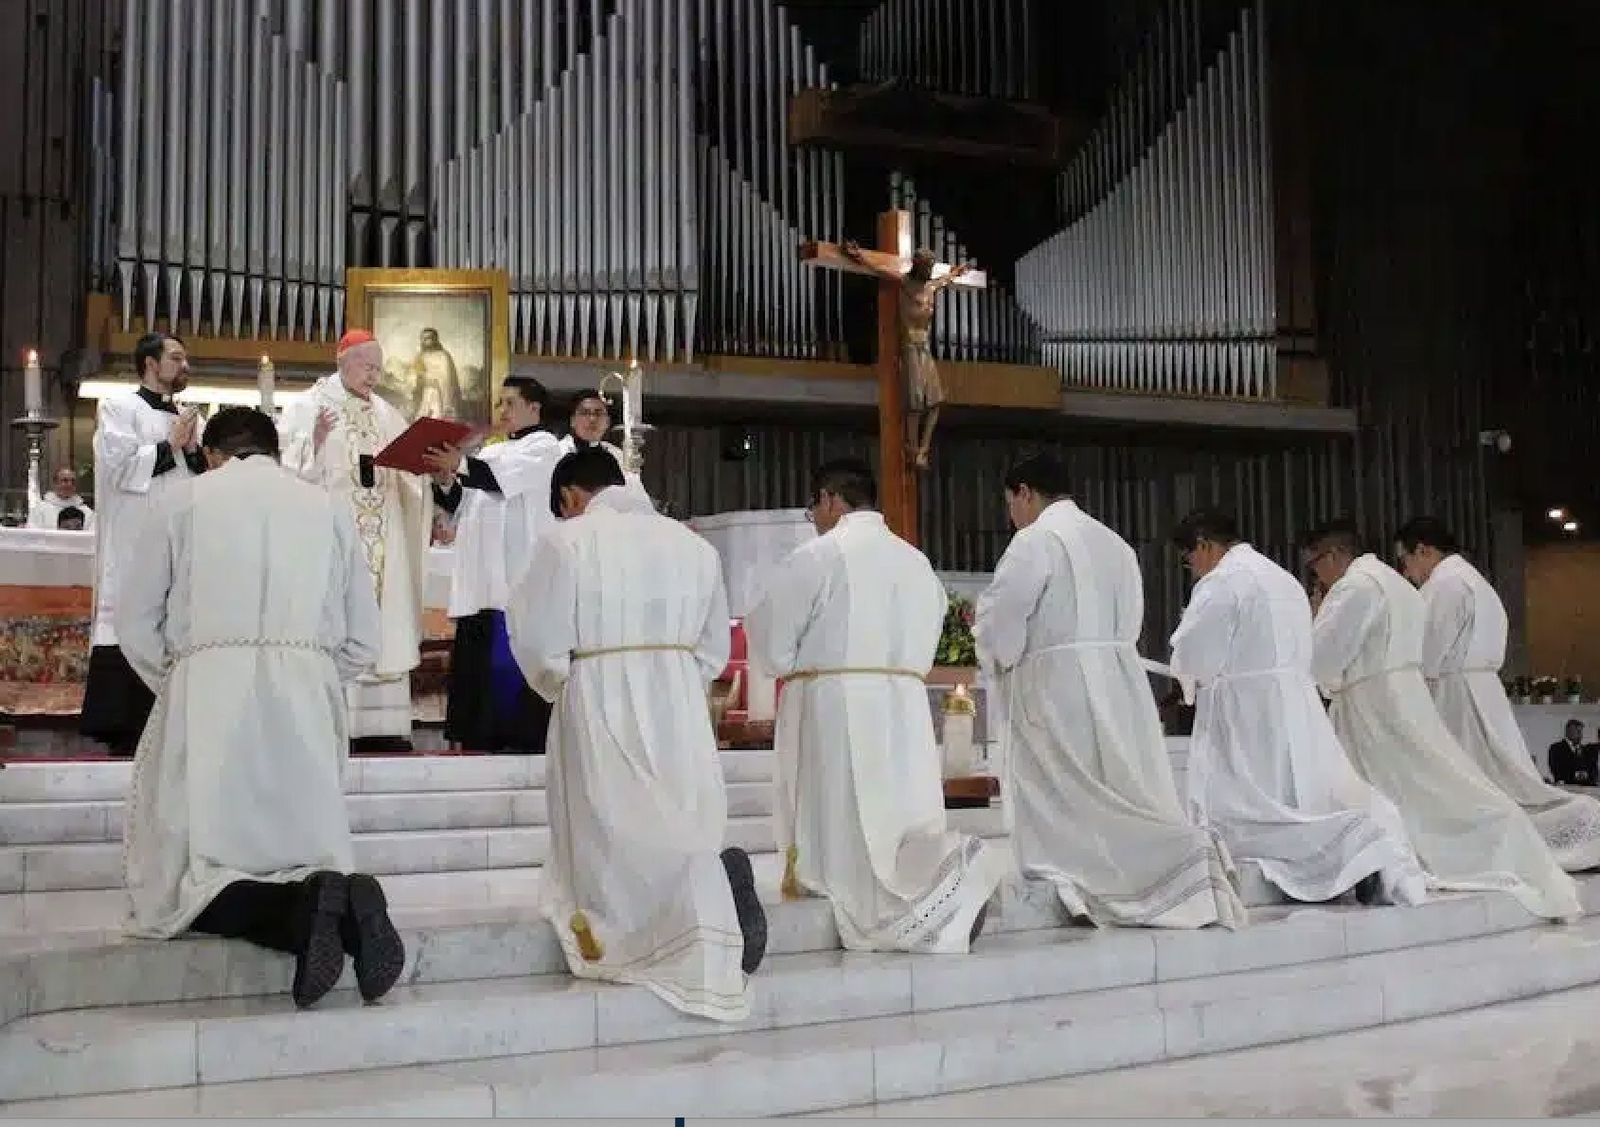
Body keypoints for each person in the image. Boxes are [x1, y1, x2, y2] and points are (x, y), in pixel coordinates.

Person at [117, 407, 404, 1010]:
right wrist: (315, 676)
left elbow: (136, 623)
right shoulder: (325, 507)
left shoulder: (181, 501)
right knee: (300, 845)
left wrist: (180, 682)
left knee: (191, 875)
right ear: (273, 451)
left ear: (215, 454)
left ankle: (308, 911)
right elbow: (361, 640)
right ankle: (342, 900)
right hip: (305, 693)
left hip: (210, 694)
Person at [506, 446, 764, 1021]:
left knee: (614, 834)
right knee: (678, 814)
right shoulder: (693, 546)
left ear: (572, 497)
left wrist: (561, 683)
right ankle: (709, 885)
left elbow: (537, 636)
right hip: (678, 698)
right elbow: (714, 652)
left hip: (599, 690)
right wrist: (672, 678)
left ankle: (696, 908)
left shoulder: (564, 542)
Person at [973, 456, 1245, 929]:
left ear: (1024, 493)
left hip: (1055, 684)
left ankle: (1137, 862)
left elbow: (1004, 621)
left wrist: (993, 648)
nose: (1010, 516)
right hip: (1117, 680)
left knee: (1070, 793)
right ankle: (1171, 861)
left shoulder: (1034, 540)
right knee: (1111, 787)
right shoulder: (1115, 542)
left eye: (1009, 504)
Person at [746, 459, 1003, 952]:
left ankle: (899, 906)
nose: (815, 518)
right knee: (899, 814)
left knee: (846, 821)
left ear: (828, 500)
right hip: (903, 703)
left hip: (833, 702)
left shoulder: (818, 556)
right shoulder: (915, 561)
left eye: (814, 508)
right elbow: (929, 641)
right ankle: (934, 885)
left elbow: (772, 644)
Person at [1304, 521, 1579, 922]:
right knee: (1439, 776)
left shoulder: (1354, 587)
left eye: (1315, 566)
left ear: (1330, 556)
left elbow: (1325, 657)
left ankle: (1489, 839)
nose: (1317, 576)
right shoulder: (1395, 583)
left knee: (1413, 784)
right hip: (1406, 691)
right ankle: (1504, 836)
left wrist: (1317, 631)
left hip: (1373, 701)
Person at [1168, 510, 1427, 906]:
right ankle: (1354, 849)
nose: (1192, 570)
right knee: (1293, 796)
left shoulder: (1221, 581)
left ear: (1204, 545)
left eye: (1189, 559)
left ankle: (1355, 845)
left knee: (1249, 811)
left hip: (1248, 710)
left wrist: (1182, 660)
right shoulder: (1281, 577)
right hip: (1294, 703)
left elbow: (1196, 655)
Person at [1397, 516, 1600, 870]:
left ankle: (1567, 830)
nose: (1407, 572)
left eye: (1406, 561)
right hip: (1481, 689)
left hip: (1457, 693)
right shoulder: (1472, 580)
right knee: (1505, 778)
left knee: (1479, 781)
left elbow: (1428, 652)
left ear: (1424, 550)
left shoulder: (1446, 585)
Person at [279, 329, 431, 753]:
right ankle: (331, 721)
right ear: (342, 360)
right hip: (335, 533)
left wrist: (418, 469)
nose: (374, 376)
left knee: (383, 620)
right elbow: (287, 469)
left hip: (385, 533)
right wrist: (316, 441)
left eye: (379, 368)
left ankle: (382, 725)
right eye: (367, 367)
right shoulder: (309, 406)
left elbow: (412, 477)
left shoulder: (387, 414)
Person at [80, 332, 206, 756]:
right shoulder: (120, 409)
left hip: (180, 540)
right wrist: (170, 446)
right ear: (150, 363)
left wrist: (193, 450)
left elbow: (200, 481)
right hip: (135, 540)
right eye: (176, 358)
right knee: (132, 619)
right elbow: (119, 471)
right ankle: (123, 725)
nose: (185, 366)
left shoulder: (189, 416)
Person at [425, 376, 562, 753]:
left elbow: (498, 484)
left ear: (534, 408)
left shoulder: (546, 448)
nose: (501, 411)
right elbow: (462, 505)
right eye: (499, 404)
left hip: (513, 576)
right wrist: (445, 481)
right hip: (479, 576)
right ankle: (473, 733)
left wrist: (461, 464)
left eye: (509, 403)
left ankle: (514, 736)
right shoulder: (490, 452)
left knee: (508, 660)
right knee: (475, 657)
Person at [841, 242, 968, 471]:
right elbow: (878, 270)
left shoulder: (931, 287)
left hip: (926, 347)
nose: (929, 270)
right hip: (910, 346)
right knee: (915, 401)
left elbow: (946, 280)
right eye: (926, 266)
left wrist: (956, 273)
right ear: (917, 266)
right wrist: (859, 255)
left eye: (931, 266)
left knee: (936, 401)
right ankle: (911, 448)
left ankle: (924, 449)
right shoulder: (904, 283)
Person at [408, 327, 463, 420]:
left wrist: (433, 380)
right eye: (423, 338)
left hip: (439, 394)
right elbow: (413, 374)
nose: (424, 341)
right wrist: (419, 380)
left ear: (434, 339)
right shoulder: (420, 356)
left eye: (428, 338)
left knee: (437, 417)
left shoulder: (443, 356)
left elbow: (447, 378)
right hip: (425, 393)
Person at [28, 466, 95, 531]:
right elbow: (33, 534)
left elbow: (92, 536)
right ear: (55, 483)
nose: (69, 484)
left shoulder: (87, 512)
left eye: (73, 481)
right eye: (65, 480)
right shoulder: (40, 509)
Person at [1549, 720, 1596, 786]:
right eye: (1578, 732)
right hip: (1566, 789)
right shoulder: (1556, 748)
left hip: (1586, 790)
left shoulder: (1585, 750)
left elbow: (1592, 769)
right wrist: (1577, 775)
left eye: (1581, 732)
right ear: (1568, 732)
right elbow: (1557, 771)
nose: (1581, 735)